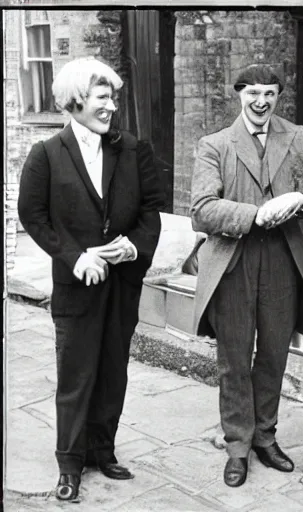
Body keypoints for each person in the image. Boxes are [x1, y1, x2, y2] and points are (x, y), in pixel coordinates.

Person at [17, 57, 164, 501]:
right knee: (77, 374)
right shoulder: (45, 154)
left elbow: (151, 211)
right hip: (76, 286)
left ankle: (103, 449)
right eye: (103, 97)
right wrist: (74, 256)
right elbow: (33, 215)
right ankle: (70, 464)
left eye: (113, 97)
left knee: (113, 370)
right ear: (76, 100)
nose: (111, 107)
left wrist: (134, 246)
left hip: (121, 284)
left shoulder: (133, 149)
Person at [190, 64, 303, 487]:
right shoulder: (214, 145)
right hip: (232, 262)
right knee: (233, 360)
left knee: (273, 354)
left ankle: (265, 438)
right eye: (252, 92)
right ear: (239, 94)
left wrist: (301, 200)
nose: (260, 101)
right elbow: (201, 208)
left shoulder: (299, 136)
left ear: (277, 96)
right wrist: (256, 214)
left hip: (282, 261)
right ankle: (237, 446)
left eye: (269, 93)